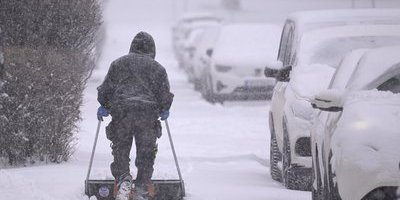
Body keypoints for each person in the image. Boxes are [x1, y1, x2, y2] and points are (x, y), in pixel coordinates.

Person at [97, 31, 174, 200]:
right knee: (146, 150)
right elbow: (164, 95)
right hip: (146, 115)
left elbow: (106, 89)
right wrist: (164, 108)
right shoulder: (158, 68)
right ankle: (143, 184)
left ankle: (123, 179)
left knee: (121, 147)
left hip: (122, 112)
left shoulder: (118, 64)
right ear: (152, 49)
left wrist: (104, 105)